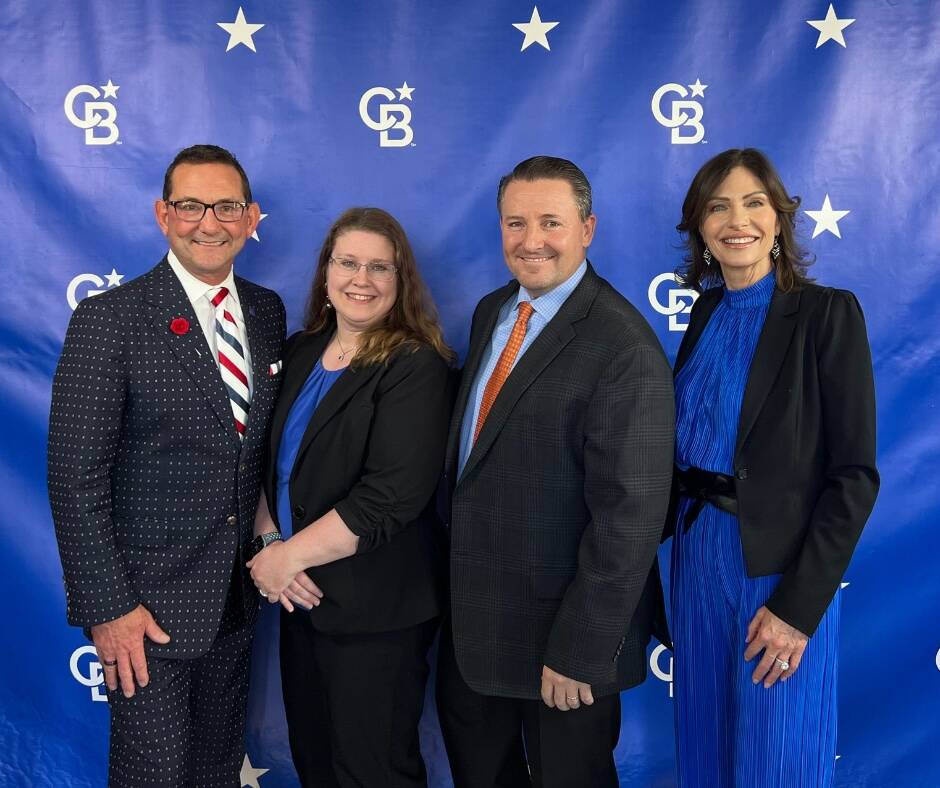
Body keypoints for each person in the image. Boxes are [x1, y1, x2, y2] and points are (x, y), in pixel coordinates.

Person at [48, 144, 286, 786]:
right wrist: (108, 607)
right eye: (190, 205)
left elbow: (255, 455)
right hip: (144, 611)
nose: (208, 222)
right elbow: (75, 479)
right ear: (162, 214)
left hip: (236, 602)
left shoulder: (266, 313)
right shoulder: (110, 319)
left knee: (213, 770)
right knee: (152, 774)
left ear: (250, 216)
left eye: (226, 206)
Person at [437, 156, 675, 787]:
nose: (530, 240)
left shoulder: (623, 346)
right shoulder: (494, 311)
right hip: (474, 637)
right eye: (515, 223)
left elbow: (630, 522)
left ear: (588, 228)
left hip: (562, 652)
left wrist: (581, 651)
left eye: (551, 222)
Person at [667, 147, 879, 786]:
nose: (738, 220)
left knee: (779, 757)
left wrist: (797, 606)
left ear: (780, 220)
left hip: (778, 570)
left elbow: (854, 476)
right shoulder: (703, 315)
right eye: (718, 206)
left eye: (754, 203)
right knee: (704, 742)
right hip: (697, 555)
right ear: (701, 229)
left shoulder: (825, 313)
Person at [246, 207, 453, 787]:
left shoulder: (415, 365)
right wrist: (269, 542)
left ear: (400, 280)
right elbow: (268, 466)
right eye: (348, 262)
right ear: (326, 273)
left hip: (377, 612)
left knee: (372, 772)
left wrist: (287, 558)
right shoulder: (302, 350)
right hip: (300, 602)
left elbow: (391, 496)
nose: (361, 279)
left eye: (379, 267)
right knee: (315, 763)